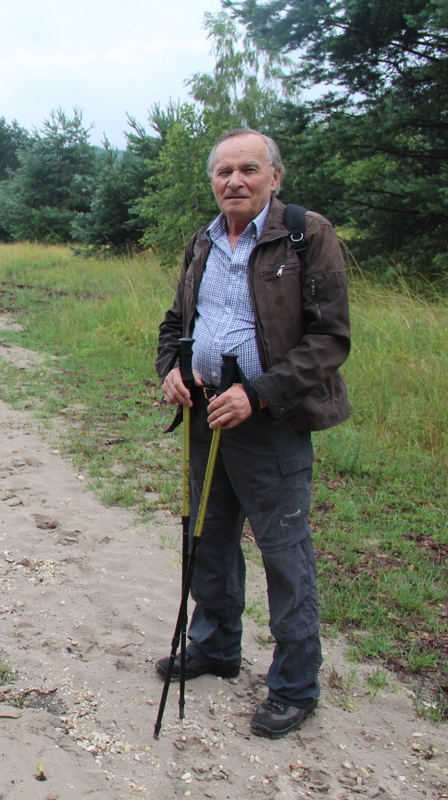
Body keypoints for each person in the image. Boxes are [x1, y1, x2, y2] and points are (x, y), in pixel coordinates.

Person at [156, 128, 351, 738]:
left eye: (248, 169)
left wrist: (258, 392)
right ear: (212, 181)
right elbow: (176, 322)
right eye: (224, 172)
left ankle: (295, 685)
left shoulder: (305, 234)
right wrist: (171, 369)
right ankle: (215, 646)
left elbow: (330, 339)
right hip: (205, 415)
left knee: (283, 551)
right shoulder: (203, 240)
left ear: (274, 176)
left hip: (271, 422)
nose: (235, 181)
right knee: (209, 537)